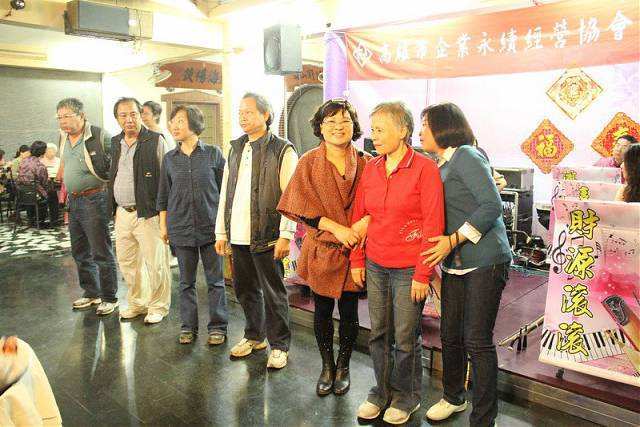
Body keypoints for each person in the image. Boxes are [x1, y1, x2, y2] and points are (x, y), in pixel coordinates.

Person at [350, 101, 445, 425]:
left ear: (403, 130)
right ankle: (380, 392)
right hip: (376, 262)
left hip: (409, 268)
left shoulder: (425, 168)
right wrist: (357, 259)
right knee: (378, 333)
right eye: (373, 130)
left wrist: (423, 273)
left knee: (405, 337)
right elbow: (361, 217)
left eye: (380, 130)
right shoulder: (372, 167)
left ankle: (407, 397)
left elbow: (433, 225)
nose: (374, 136)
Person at [419, 103, 512, 427]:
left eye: (426, 124)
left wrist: (453, 240)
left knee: (477, 340)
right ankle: (453, 397)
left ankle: (484, 418)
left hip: (485, 260)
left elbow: (491, 206)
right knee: (450, 335)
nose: (420, 131)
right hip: (455, 264)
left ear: (444, 127)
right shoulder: (442, 163)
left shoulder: (466, 156)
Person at [277, 99, 369, 396]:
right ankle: (327, 366)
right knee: (322, 311)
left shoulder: (367, 161)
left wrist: (359, 227)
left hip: (355, 250)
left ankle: (344, 366)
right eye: (330, 121)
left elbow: (379, 205)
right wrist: (337, 228)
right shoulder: (308, 161)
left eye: (344, 121)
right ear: (320, 126)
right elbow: (300, 206)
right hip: (322, 248)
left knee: (351, 312)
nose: (338, 127)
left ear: (354, 126)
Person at [214, 92, 298, 369]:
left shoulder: (282, 150)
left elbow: (292, 196)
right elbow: (225, 192)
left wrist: (286, 234)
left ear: (265, 114)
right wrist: (221, 233)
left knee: (273, 293)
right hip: (238, 234)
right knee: (244, 289)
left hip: (268, 235)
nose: (243, 117)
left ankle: (280, 345)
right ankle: (254, 336)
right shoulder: (236, 148)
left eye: (249, 112)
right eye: (240, 112)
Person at [158, 105, 229, 345]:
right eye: (173, 121)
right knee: (185, 282)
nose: (174, 126)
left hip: (211, 228)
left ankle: (218, 327)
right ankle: (188, 327)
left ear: (194, 123)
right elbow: (163, 195)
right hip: (180, 227)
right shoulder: (169, 159)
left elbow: (225, 193)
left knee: (215, 281)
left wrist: (225, 228)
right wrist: (163, 225)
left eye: (180, 120)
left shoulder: (213, 154)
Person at [107, 97, 172, 325]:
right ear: (117, 119)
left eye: (133, 114)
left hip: (149, 213)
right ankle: (137, 302)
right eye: (123, 115)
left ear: (141, 115)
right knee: (127, 262)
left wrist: (164, 215)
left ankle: (158, 306)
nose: (129, 119)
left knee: (156, 263)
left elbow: (167, 178)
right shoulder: (116, 142)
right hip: (122, 213)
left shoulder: (155, 140)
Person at [56, 97, 119, 315]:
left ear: (81, 115)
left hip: (95, 198)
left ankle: (109, 297)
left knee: (101, 251)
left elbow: (117, 164)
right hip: (74, 200)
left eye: (67, 116)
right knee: (80, 250)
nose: (63, 121)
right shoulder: (63, 137)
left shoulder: (100, 136)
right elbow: (65, 162)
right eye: (59, 117)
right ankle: (91, 292)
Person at [17, 141, 49, 226]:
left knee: (33, 190)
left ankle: (31, 218)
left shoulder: (22, 162)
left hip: (22, 194)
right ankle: (44, 219)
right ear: (43, 152)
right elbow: (44, 182)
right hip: (35, 194)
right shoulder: (40, 166)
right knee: (51, 194)